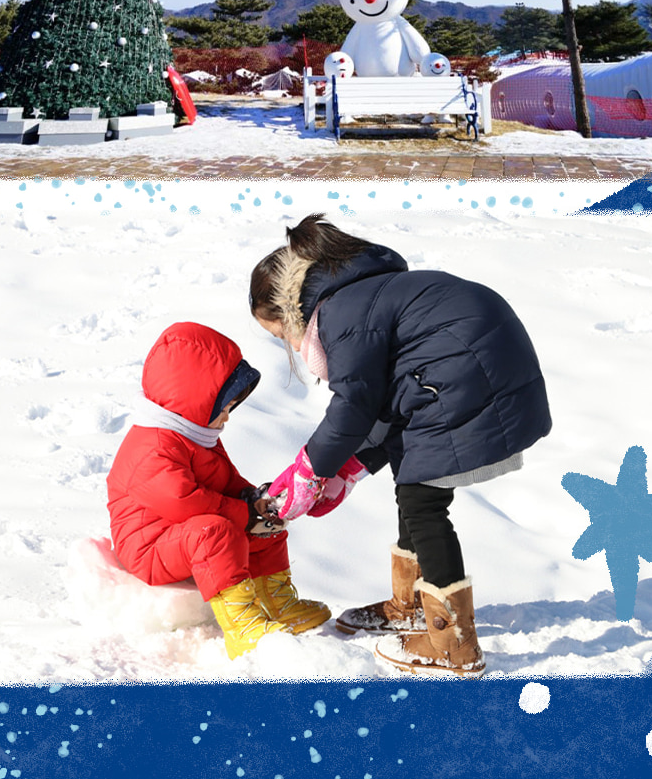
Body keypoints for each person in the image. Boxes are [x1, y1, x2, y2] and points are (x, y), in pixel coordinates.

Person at [248, 213, 551, 678]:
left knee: (422, 502)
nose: (287, 344)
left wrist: (310, 470)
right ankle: (409, 607)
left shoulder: (340, 313)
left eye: (279, 333)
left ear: (288, 310)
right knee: (413, 484)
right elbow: (383, 402)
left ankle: (450, 643)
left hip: (465, 375)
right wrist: (349, 467)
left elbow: (355, 405)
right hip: (467, 370)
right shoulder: (357, 296)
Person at [105, 322, 331, 661]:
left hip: (186, 535)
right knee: (218, 532)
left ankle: (277, 603)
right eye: (222, 407)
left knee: (266, 528)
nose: (227, 417)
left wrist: (256, 502)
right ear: (193, 401)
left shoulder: (196, 437)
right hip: (149, 547)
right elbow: (185, 502)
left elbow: (225, 480)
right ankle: (242, 627)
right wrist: (245, 515)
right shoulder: (151, 448)